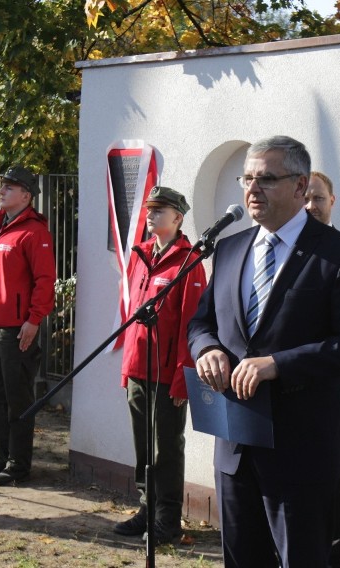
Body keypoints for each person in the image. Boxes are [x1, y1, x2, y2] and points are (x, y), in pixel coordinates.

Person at [188, 136, 340, 567]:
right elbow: (202, 324)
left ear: (300, 186)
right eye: (248, 178)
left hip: (301, 449)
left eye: (267, 179)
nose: (252, 189)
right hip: (236, 444)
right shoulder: (230, 248)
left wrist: (279, 364)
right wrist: (207, 350)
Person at [113, 186, 207, 544]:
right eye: (150, 209)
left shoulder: (188, 261)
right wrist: (126, 367)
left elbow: (192, 324)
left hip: (168, 374)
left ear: (178, 218)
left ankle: (167, 519)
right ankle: (146, 509)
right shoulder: (140, 254)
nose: (151, 215)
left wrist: (185, 377)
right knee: (142, 445)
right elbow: (132, 317)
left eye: (160, 210)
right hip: (138, 368)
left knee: (165, 447)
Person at [0, 166, 56, 486]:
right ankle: (1, 456)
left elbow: (45, 280)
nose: (3, 190)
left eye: (11, 187)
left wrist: (34, 320)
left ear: (27, 195)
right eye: (2, 186)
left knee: (18, 399)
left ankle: (19, 464)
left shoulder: (34, 232)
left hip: (17, 330)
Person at [307, 169, 340, 567]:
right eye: (306, 199)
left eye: (319, 199)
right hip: (281, 389)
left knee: (333, 475)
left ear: (332, 202)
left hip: (332, 388)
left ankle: (333, 553)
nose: (312, 206)